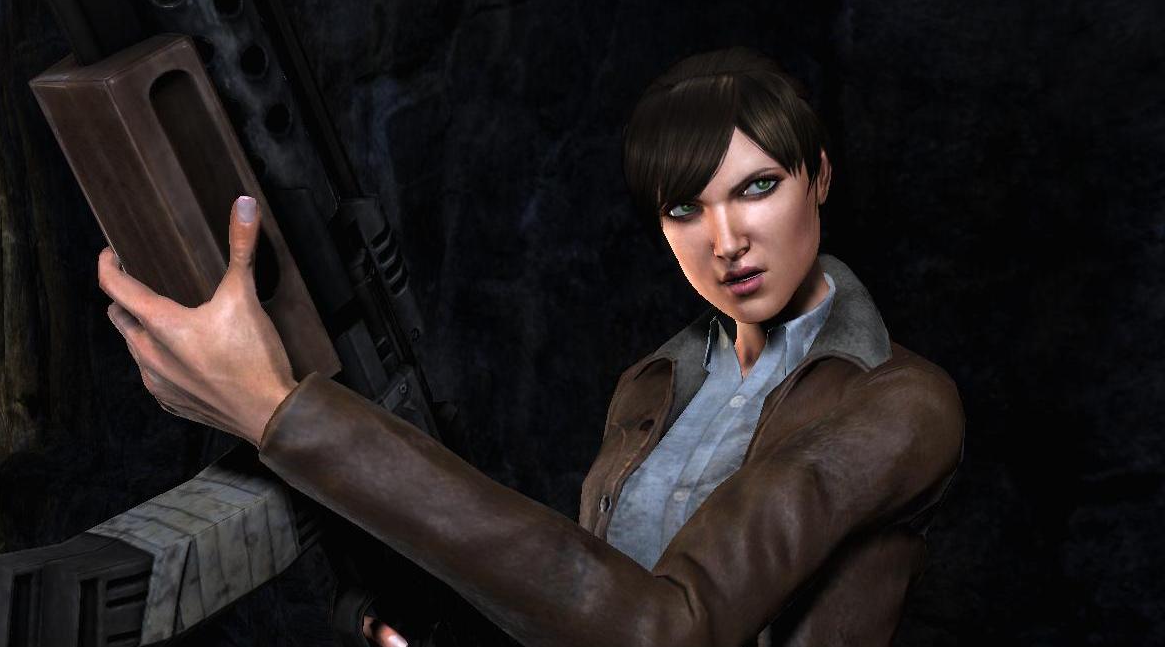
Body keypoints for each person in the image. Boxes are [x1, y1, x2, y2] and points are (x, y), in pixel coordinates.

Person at [99, 47, 964, 646]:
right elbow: (578, 603)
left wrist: (278, 409)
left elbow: (668, 631)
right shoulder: (655, 383)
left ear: (819, 176)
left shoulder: (898, 401)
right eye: (684, 208)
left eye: (758, 187)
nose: (727, 240)